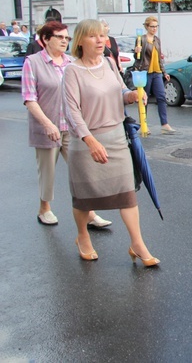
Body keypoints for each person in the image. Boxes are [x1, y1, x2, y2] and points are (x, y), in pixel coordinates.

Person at [63, 19, 159, 266]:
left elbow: (120, 93)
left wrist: (134, 95)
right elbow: (72, 112)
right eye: (93, 36)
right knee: (85, 199)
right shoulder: (72, 71)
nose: (100, 41)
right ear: (80, 41)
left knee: (127, 196)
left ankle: (137, 244)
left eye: (102, 36)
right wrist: (90, 141)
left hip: (116, 138)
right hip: (87, 143)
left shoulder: (108, 62)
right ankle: (83, 236)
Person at [22, 21, 111, 229]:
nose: (64, 41)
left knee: (82, 169)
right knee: (48, 172)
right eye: (59, 37)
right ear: (45, 39)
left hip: (71, 128)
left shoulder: (71, 62)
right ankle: (44, 208)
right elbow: (29, 98)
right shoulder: (33, 63)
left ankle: (89, 213)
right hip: (48, 128)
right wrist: (47, 124)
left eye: (67, 38)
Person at [133, 16, 175, 135]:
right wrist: (136, 51)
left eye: (156, 26)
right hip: (145, 72)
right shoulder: (142, 39)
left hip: (157, 72)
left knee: (161, 97)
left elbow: (159, 57)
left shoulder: (157, 39)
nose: (154, 28)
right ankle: (143, 124)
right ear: (146, 27)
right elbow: (138, 58)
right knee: (144, 99)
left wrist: (164, 72)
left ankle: (164, 124)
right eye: (152, 26)